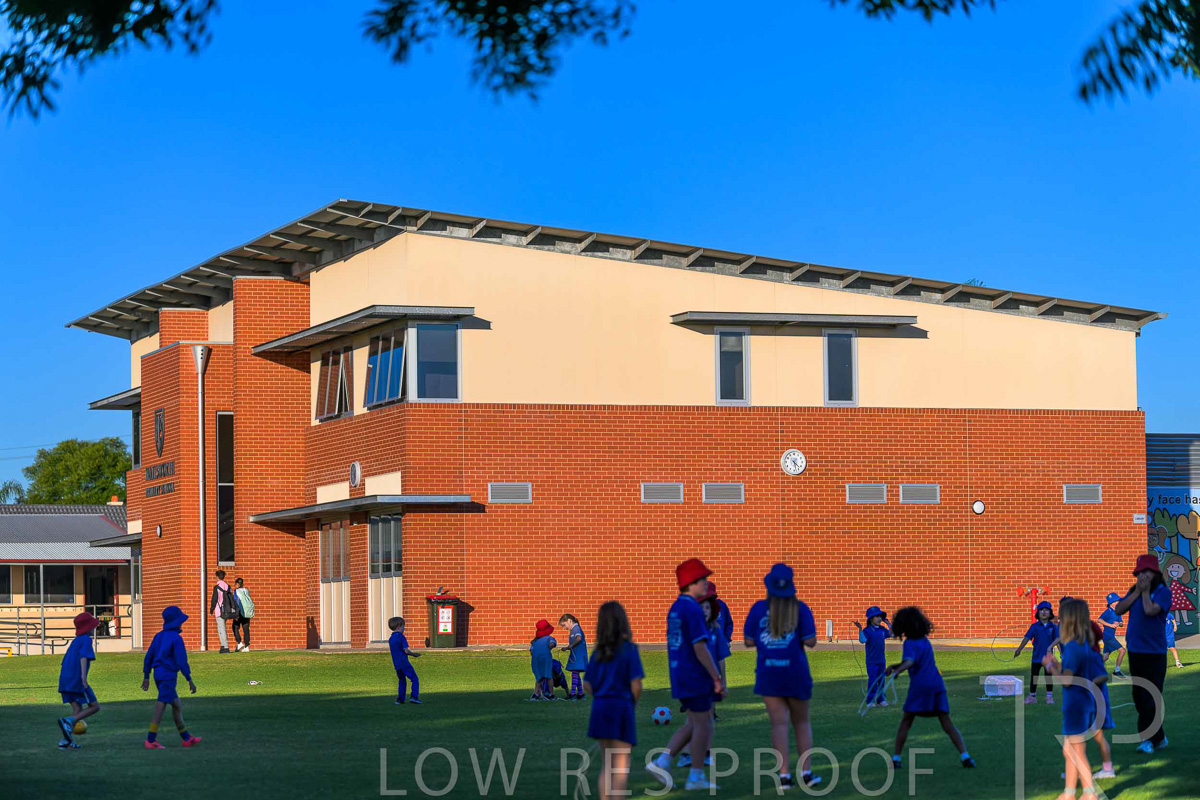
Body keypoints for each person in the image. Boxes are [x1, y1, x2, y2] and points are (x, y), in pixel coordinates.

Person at [647, 558, 724, 792]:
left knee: (696, 722)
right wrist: (716, 678)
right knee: (703, 725)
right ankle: (695, 775)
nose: (706, 582)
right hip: (694, 675)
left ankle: (663, 762)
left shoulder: (677, 607)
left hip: (681, 673)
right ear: (691, 582)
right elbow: (700, 647)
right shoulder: (692, 608)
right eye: (703, 579)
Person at [743, 563, 821, 789]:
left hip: (769, 673)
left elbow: (748, 641)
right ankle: (806, 773)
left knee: (778, 725)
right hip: (795, 673)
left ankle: (784, 775)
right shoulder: (800, 608)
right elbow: (811, 641)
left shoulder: (758, 609)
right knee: (802, 723)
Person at [886, 606, 974, 770]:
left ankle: (896, 758)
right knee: (946, 722)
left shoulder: (909, 643)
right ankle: (965, 756)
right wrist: (894, 666)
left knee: (906, 721)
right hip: (937, 684)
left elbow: (910, 661)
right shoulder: (925, 641)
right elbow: (914, 661)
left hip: (920, 686)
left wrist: (897, 671)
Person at [1040, 598, 1105, 800]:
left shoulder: (1073, 647)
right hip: (1080, 702)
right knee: (1069, 750)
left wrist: (1050, 667)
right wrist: (1056, 664)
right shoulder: (1081, 644)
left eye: (1061, 616)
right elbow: (1072, 672)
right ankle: (1069, 793)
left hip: (1076, 704)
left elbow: (1067, 681)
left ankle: (1089, 793)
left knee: (1076, 750)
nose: (1058, 619)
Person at [584, 601, 644, 800]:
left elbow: (587, 685)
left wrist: (602, 693)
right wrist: (632, 703)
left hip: (600, 708)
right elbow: (636, 685)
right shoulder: (629, 650)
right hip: (621, 707)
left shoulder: (598, 653)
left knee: (607, 764)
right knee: (620, 766)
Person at [1114, 554, 1173, 753]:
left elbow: (1150, 611)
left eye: (1146, 572)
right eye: (1139, 572)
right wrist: (1136, 592)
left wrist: (1145, 593)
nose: (1142, 576)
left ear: (1155, 573)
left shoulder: (1164, 592)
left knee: (1151, 696)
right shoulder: (1134, 590)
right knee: (1139, 696)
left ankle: (1146, 740)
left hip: (1154, 653)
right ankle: (1160, 737)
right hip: (1136, 651)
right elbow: (1119, 609)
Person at [141, 605, 201, 749]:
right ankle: (151, 739)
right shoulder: (176, 638)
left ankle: (186, 738)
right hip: (168, 676)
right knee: (160, 706)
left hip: (158, 675)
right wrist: (189, 679)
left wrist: (146, 676)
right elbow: (181, 661)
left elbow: (148, 656)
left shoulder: (158, 636)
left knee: (176, 705)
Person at [56, 612, 102, 749]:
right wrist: (83, 678)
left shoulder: (75, 641)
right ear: (88, 627)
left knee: (77, 709)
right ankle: (68, 720)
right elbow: (83, 657)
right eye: (93, 625)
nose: (94, 628)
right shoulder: (86, 640)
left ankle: (65, 741)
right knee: (94, 706)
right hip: (76, 680)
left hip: (65, 680)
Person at [1014, 600, 1060, 704]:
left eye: (1046, 610)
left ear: (1050, 613)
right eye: (1041, 610)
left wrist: (1061, 652)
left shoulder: (1053, 627)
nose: (1044, 612)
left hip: (1048, 658)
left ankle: (1049, 696)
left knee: (1048, 677)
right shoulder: (1034, 626)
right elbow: (1026, 638)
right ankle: (1032, 696)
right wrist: (1019, 649)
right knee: (1034, 677)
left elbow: (1057, 640)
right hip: (1036, 657)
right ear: (1038, 613)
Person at [1088, 621, 1116, 781]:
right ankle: (1075, 769)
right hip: (1086, 700)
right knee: (1075, 737)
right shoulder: (1083, 653)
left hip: (1095, 700)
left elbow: (1103, 676)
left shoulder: (1092, 655)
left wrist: (1088, 684)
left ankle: (1107, 768)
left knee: (1098, 736)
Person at [854, 606, 892, 708]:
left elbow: (892, 634)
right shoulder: (867, 630)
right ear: (871, 619)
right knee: (873, 680)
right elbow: (862, 640)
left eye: (880, 616)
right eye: (877, 617)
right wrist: (860, 629)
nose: (879, 619)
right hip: (871, 661)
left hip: (881, 660)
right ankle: (870, 701)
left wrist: (888, 624)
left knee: (881, 680)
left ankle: (881, 699)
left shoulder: (882, 629)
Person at [389, 617, 422, 704]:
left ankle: (400, 699)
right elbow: (406, 651)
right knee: (414, 678)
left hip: (396, 664)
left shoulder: (391, 638)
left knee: (402, 680)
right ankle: (414, 696)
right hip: (404, 662)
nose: (404, 628)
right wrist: (414, 654)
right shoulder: (401, 637)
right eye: (403, 626)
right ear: (398, 627)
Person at [559, 613, 589, 700]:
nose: (564, 628)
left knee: (574, 673)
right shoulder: (573, 630)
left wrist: (570, 646)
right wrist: (567, 647)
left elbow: (579, 638)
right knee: (576, 673)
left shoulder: (576, 628)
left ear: (569, 621)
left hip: (578, 655)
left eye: (564, 625)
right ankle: (580, 693)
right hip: (575, 654)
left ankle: (572, 694)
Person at [1099, 592, 1127, 678]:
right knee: (1122, 651)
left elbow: (1121, 624)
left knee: (1106, 656)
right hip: (1108, 637)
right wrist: (1110, 625)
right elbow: (1099, 620)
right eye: (1115, 601)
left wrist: (1118, 623)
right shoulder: (1108, 611)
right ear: (1110, 603)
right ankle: (1117, 671)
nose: (1117, 603)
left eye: (1118, 601)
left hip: (1110, 636)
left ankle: (1094, 669)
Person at [530, 619, 559, 700]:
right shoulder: (549, 638)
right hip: (546, 659)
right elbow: (552, 644)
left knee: (538, 678)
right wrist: (548, 648)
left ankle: (536, 694)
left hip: (536, 660)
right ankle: (551, 694)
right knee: (549, 676)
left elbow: (531, 651)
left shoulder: (534, 641)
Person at [209, 569, 233, 654]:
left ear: (217, 577)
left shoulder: (217, 587)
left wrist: (211, 609)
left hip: (219, 610)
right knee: (221, 628)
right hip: (227, 610)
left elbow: (214, 599)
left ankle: (225, 647)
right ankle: (222, 646)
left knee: (221, 629)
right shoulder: (228, 587)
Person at [232, 577, 255, 653]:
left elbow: (236, 602)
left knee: (235, 627)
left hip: (240, 612)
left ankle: (239, 642)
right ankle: (247, 646)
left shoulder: (236, 591)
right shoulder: (246, 590)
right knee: (246, 629)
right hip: (247, 611)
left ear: (237, 584)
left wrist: (235, 614)